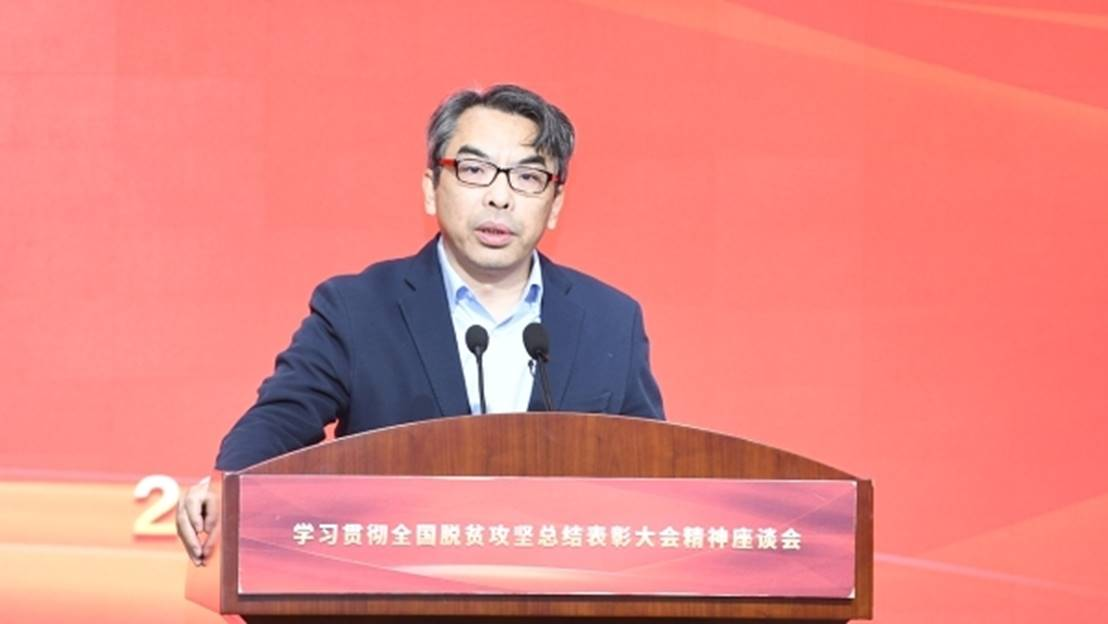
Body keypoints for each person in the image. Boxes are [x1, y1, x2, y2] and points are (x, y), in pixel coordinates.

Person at [176, 84, 664, 565]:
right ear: (431, 189)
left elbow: (657, 473)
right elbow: (280, 419)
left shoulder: (611, 321)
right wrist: (226, 485)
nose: (500, 197)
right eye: (474, 170)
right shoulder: (358, 309)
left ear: (555, 204)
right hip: (392, 583)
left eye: (528, 177)